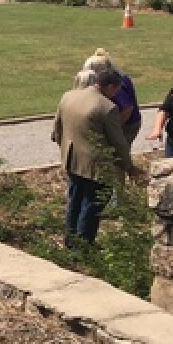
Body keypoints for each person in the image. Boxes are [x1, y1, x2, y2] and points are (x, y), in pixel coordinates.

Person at [52, 69, 139, 245]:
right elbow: (119, 142)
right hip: (96, 165)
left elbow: (56, 131)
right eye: (115, 90)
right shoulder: (106, 108)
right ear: (109, 86)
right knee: (92, 205)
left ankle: (70, 241)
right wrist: (129, 167)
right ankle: (84, 245)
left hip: (72, 159)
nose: (115, 95)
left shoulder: (68, 97)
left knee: (75, 201)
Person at [79, 48, 141, 145]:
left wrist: (114, 129)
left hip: (128, 124)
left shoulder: (114, 82)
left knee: (118, 151)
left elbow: (127, 109)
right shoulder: (108, 76)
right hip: (117, 118)